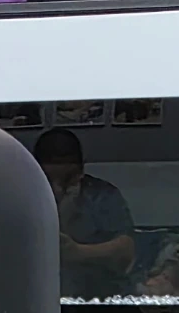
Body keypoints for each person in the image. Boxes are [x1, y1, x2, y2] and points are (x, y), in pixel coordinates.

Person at [33, 128, 135, 299]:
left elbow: (126, 250)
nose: (58, 189)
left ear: (81, 170)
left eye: (68, 180)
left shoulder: (101, 195)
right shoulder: (22, 197)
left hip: (99, 296)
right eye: (49, 180)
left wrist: (79, 252)